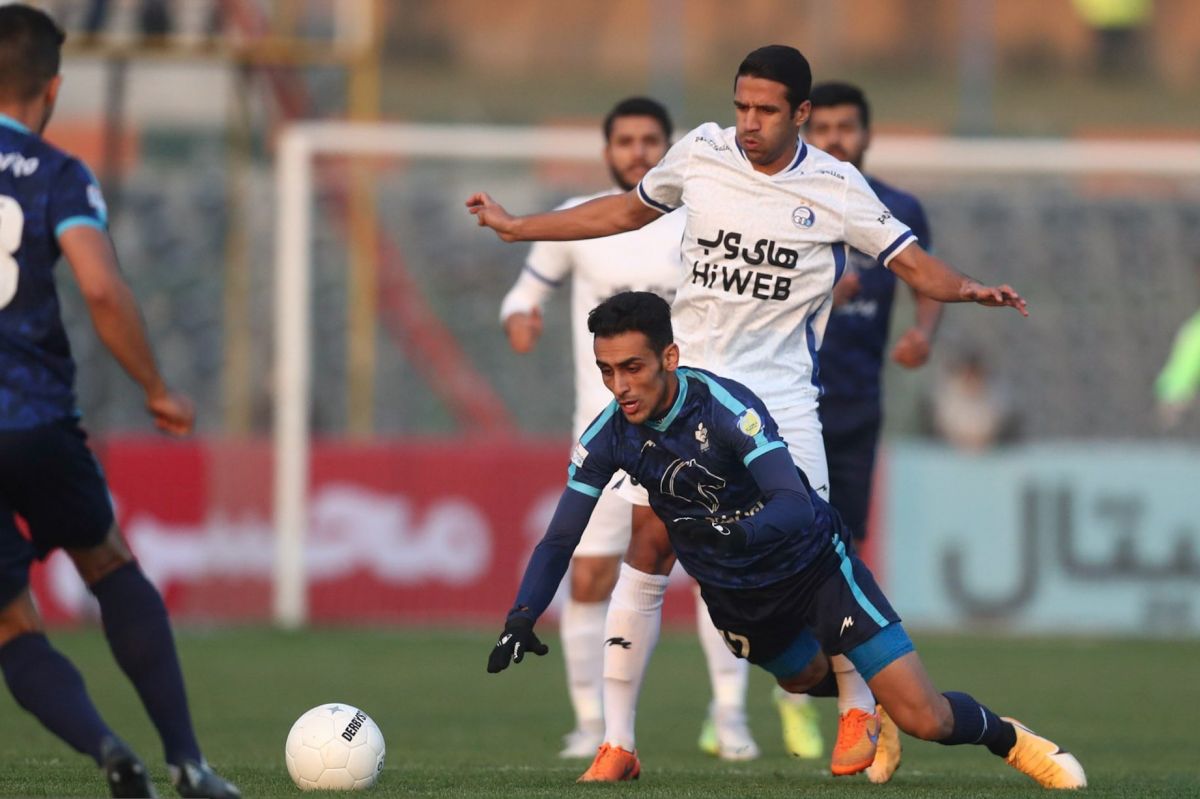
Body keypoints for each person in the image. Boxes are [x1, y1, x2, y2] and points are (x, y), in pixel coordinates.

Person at [469, 44, 1027, 782]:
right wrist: (520, 228)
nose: (750, 123)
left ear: (801, 113)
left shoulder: (835, 186)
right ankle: (618, 741)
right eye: (742, 107)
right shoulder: (702, 152)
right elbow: (626, 209)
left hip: (781, 405)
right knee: (648, 544)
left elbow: (911, 262)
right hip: (687, 395)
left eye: (767, 110)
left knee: (819, 552)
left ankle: (857, 706)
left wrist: (968, 288)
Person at [486, 291, 1086, 792]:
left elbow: (795, 504)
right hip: (738, 597)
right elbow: (560, 537)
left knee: (925, 718)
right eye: (607, 371)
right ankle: (876, 699)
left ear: (669, 357)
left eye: (633, 368)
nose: (620, 386)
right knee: (801, 680)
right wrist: (522, 614)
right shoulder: (610, 435)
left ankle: (1012, 739)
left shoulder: (726, 408)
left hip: (815, 571)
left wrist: (736, 532)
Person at [0, 6, 238, 798]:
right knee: (106, 561)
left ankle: (107, 748)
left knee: (11, 623)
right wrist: (156, 388)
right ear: (53, 88)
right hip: (34, 417)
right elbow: (100, 287)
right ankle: (188, 762)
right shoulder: (58, 172)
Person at [499, 97, 760, 761]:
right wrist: (521, 318)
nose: (638, 151)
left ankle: (730, 715)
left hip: (690, 434)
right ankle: (593, 725)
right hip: (610, 440)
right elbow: (524, 292)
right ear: (607, 149)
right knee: (589, 576)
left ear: (667, 148)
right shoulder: (581, 219)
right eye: (626, 140)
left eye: (650, 140)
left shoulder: (698, 222)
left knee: (713, 575)